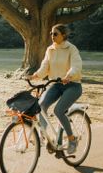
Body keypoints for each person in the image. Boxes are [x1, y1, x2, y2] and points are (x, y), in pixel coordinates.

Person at [27, 24, 82, 154]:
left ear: (63, 35)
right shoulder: (50, 49)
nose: (52, 36)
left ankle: (72, 139)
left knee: (59, 110)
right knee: (41, 106)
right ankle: (45, 137)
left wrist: (69, 75)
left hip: (73, 85)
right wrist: (35, 75)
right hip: (56, 85)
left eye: (55, 34)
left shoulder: (71, 49)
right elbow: (45, 66)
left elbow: (77, 65)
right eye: (51, 33)